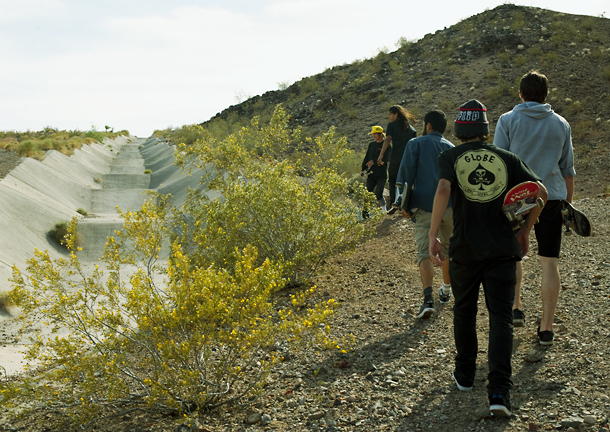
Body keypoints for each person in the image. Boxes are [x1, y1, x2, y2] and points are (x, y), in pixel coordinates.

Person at [429, 100, 547, 417]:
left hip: (464, 248)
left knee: (464, 311)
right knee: (501, 319)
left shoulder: (450, 156)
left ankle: (465, 375)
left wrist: (432, 236)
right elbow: (540, 192)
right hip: (502, 250)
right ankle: (498, 392)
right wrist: (524, 231)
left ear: (459, 128)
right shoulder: (507, 158)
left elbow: (442, 189)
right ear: (485, 128)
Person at [493, 70, 575, 346]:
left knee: (516, 255)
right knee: (549, 262)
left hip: (518, 199)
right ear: (545, 95)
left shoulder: (507, 120)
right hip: (551, 199)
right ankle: (547, 328)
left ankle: (516, 307)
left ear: (521, 94)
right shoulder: (561, 124)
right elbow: (568, 171)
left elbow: (499, 164)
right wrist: (568, 206)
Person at [395, 110, 454, 319]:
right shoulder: (452, 148)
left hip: (424, 207)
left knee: (424, 251)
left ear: (428, 125)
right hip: (450, 207)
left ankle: (428, 299)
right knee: (447, 249)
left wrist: (403, 205)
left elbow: (406, 177)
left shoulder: (415, 144)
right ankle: (446, 290)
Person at [376, 105, 417, 214]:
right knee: (406, 181)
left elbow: (388, 140)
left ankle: (394, 204)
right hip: (408, 158)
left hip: (395, 157)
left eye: (390, 114)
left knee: (393, 180)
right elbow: (414, 140)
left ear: (396, 114)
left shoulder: (392, 126)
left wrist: (381, 155)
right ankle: (405, 204)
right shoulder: (409, 127)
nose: (389, 117)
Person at [361, 126, 389, 212]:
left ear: (380, 134)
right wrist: (363, 169)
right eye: (373, 134)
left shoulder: (386, 145)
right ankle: (365, 215)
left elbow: (386, 158)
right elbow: (367, 158)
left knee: (378, 194)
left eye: (375, 134)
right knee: (367, 195)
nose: (373, 136)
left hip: (381, 175)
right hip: (371, 174)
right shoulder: (371, 145)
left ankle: (384, 211)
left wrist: (374, 161)